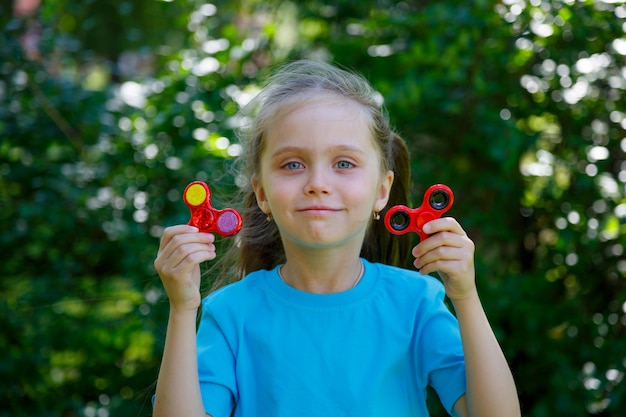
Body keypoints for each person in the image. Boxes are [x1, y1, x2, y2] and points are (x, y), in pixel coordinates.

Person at [153, 60, 520, 417]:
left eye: (344, 163)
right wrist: (183, 310)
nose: (317, 184)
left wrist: (465, 296)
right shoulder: (232, 312)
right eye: (292, 164)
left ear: (382, 190)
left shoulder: (416, 303)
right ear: (262, 193)